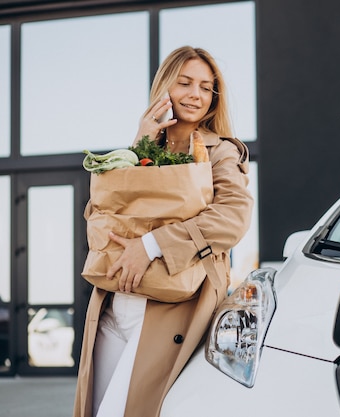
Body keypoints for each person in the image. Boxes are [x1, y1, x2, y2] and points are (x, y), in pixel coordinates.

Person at [74, 46, 253, 417]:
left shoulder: (221, 153)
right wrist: (139, 144)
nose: (195, 94)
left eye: (206, 88)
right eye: (185, 83)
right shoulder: (140, 149)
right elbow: (102, 211)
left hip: (169, 306)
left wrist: (152, 244)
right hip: (114, 302)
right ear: (164, 87)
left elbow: (233, 217)